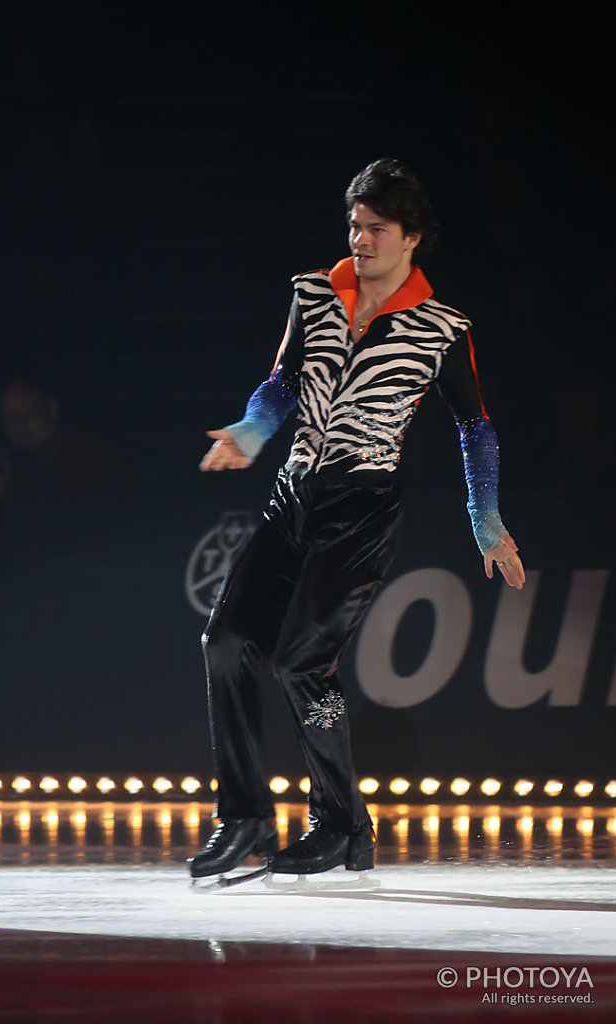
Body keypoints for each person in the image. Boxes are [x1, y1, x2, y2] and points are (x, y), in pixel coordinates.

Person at [189, 158, 525, 880]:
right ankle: (243, 818)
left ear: (412, 238)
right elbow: (281, 384)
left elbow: (475, 428)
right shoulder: (312, 295)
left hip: (360, 509)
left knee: (301, 661)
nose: (360, 239)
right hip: (292, 499)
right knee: (225, 642)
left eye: (375, 228)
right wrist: (251, 430)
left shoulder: (440, 327)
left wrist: (484, 516)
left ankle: (342, 825)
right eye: (353, 225)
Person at [0, 379, 127, 575]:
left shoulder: (89, 456)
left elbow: (74, 546)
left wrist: (10, 503)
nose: (21, 426)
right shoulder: (8, 467)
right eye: (10, 420)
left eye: (31, 414)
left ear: (53, 411)